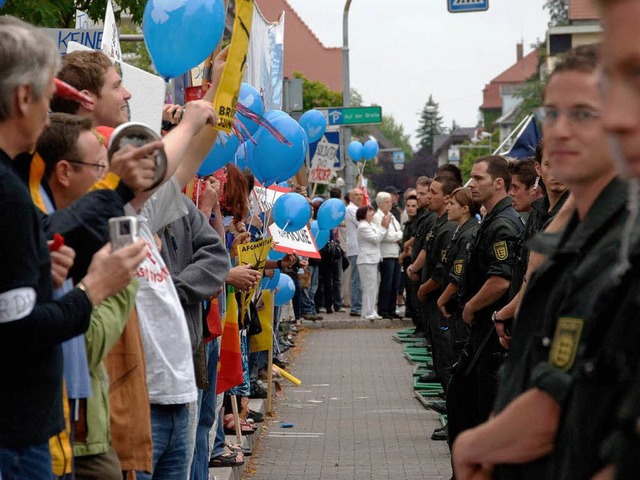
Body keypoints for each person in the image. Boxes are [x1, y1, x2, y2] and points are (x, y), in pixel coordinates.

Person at [453, 44, 631, 480]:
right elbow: (553, 384)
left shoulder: (623, 244)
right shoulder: (570, 231)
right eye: (552, 114)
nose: (561, 131)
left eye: (583, 114)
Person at [0, 17, 147, 479]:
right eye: (47, 95)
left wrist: (45, 265)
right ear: (24, 97)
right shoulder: (7, 194)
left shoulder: (12, 185)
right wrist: (92, 290)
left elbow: (48, 232)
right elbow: (17, 330)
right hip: (16, 439)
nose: (51, 112)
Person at [446, 155, 524, 453]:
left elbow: (501, 280)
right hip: (482, 331)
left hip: (491, 334)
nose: (472, 184)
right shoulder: (491, 218)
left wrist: (470, 307)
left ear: (499, 183)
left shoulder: (503, 222)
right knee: (462, 402)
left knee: (478, 411)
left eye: (478, 179)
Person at [355, 205, 390, 320]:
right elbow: (376, 239)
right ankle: (366, 312)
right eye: (369, 211)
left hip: (373, 258)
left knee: (374, 286)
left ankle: (371, 310)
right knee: (368, 286)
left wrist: (384, 227)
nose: (371, 213)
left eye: (372, 211)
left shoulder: (372, 225)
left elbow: (380, 235)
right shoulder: (363, 226)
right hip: (366, 259)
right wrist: (384, 227)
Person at [372, 191, 403, 319]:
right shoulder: (377, 217)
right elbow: (386, 236)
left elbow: (400, 230)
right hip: (386, 253)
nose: (390, 204)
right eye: (387, 202)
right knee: (387, 282)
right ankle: (383, 309)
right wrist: (398, 236)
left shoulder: (391, 215)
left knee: (395, 283)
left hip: (396, 253)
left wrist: (398, 236)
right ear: (380, 204)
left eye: (391, 201)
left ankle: (392, 309)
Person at [345, 187, 364, 316]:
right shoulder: (351, 209)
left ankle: (358, 305)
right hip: (356, 248)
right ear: (351, 197)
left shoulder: (356, 209)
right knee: (357, 279)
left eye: (361, 194)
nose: (359, 197)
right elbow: (362, 223)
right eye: (356, 195)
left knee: (360, 279)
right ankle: (356, 307)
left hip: (358, 248)